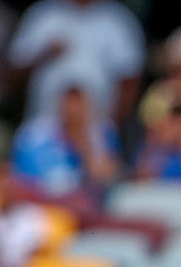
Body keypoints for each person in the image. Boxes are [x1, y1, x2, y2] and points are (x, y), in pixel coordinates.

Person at [6, 0, 145, 127]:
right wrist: (44, 53)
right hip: (44, 126)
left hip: (98, 125)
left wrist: (113, 124)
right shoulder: (42, 15)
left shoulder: (117, 19)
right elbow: (13, 72)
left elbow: (130, 79)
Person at [10, 82, 120, 217]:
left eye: (78, 103)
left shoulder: (102, 133)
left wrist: (82, 143)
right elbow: (23, 178)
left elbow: (105, 178)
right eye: (69, 102)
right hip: (43, 204)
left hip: (85, 207)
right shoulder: (35, 135)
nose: (73, 109)